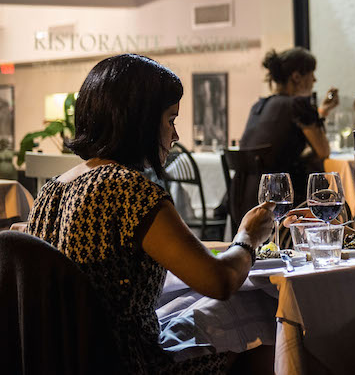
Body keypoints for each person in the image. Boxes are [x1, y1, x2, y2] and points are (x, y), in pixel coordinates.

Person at [25, 54, 274, 373]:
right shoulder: (129, 191)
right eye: (171, 119)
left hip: (63, 362)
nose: (176, 134)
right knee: (259, 331)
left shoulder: (51, 191)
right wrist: (249, 235)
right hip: (131, 363)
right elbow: (220, 281)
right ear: (141, 122)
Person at [238, 48, 337, 213]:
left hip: (244, 199)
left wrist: (322, 112)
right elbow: (323, 151)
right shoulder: (297, 104)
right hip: (281, 200)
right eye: (311, 73)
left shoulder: (259, 106)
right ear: (296, 76)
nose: (314, 79)